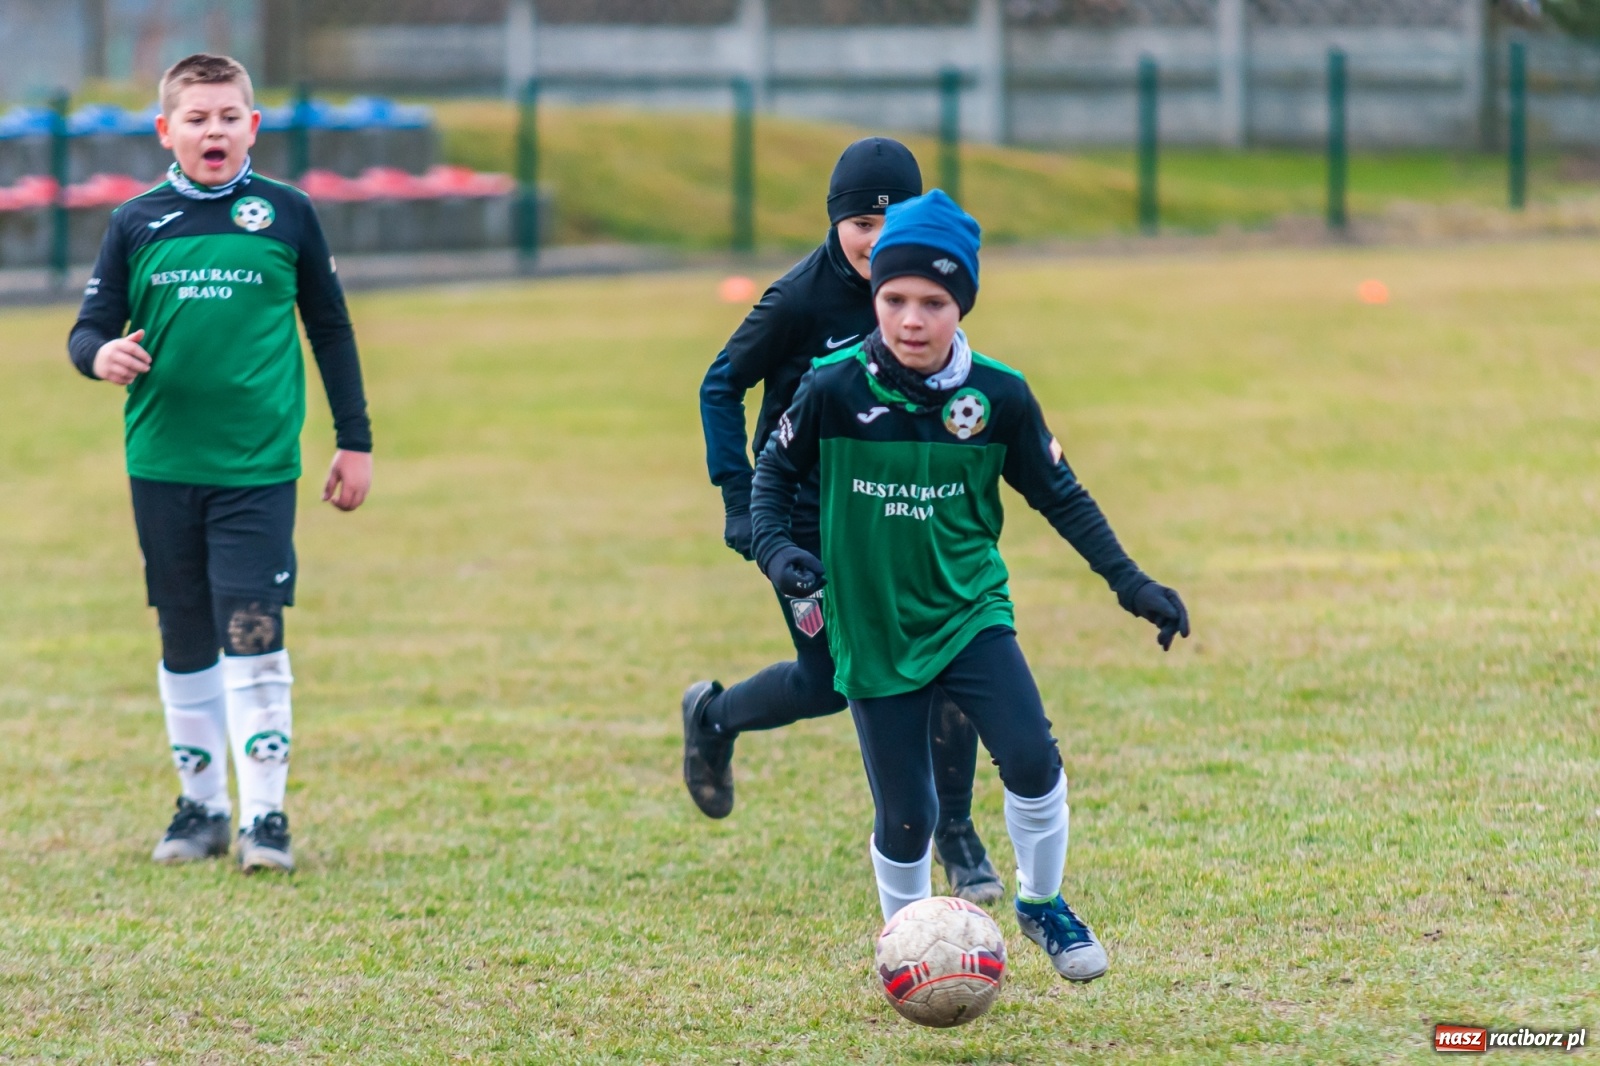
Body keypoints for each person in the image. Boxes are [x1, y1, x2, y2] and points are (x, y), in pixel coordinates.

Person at [748, 190, 1189, 981]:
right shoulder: (832, 389)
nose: (910, 319)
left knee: (1032, 758)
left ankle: (1043, 904)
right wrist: (778, 552)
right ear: (874, 298)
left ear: (964, 305)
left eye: (933, 302)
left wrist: (1131, 583)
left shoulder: (1000, 396)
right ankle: (907, 953)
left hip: (968, 611)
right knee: (907, 816)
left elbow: (1062, 496)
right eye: (893, 299)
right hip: (873, 623)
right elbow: (774, 473)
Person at [67, 53, 373, 873]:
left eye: (228, 117)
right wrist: (102, 359)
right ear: (165, 130)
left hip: (258, 468)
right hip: (162, 464)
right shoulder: (136, 221)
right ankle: (201, 808)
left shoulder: (288, 214)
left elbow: (331, 330)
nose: (214, 131)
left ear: (252, 127)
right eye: (196, 118)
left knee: (254, 630)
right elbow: (87, 329)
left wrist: (355, 439)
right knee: (185, 634)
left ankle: (264, 819)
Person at [688, 138, 1002, 902]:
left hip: (894, 502)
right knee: (831, 682)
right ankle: (715, 717)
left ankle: (955, 834)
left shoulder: (921, 284)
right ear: (837, 223)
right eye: (861, 222)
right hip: (802, 513)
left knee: (949, 651)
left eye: (889, 222)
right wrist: (740, 502)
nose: (874, 239)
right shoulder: (798, 300)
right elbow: (718, 384)